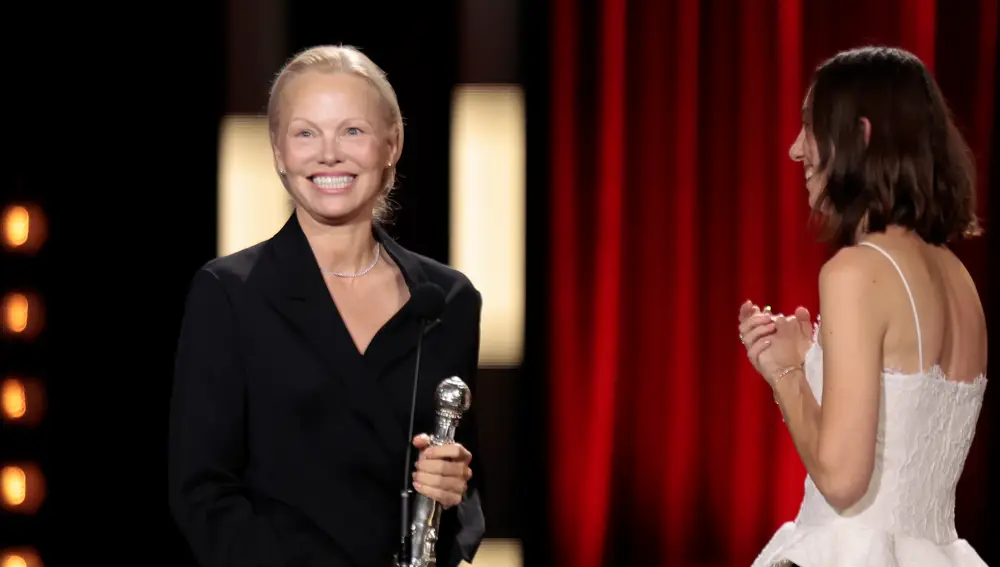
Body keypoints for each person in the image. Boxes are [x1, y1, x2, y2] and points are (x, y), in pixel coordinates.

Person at [167, 45, 485, 567]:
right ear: (278, 151)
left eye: (352, 131)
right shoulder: (231, 294)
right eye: (305, 132)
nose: (328, 154)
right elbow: (202, 494)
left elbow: (464, 491)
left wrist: (455, 488)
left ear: (392, 143)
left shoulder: (447, 301)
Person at [739, 46, 988, 566]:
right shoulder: (960, 281)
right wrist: (818, 364)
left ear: (862, 135)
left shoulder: (854, 273)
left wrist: (786, 372)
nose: (794, 149)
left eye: (811, 126)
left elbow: (842, 479)